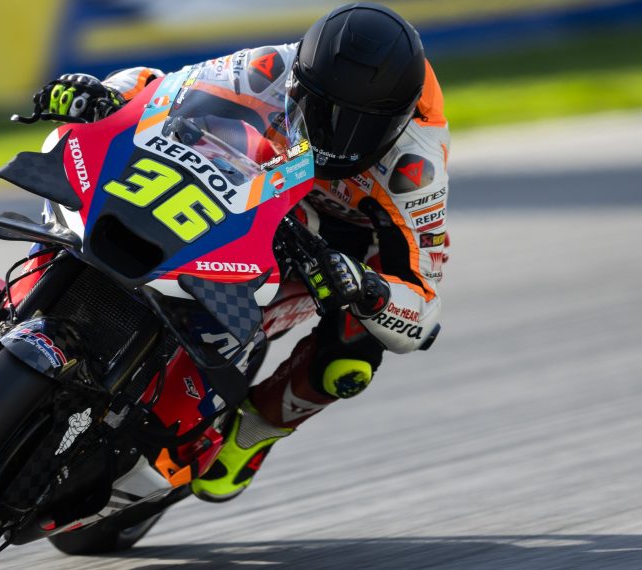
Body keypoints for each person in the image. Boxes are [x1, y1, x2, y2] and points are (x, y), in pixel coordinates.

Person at [34, 2, 450, 502]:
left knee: (349, 363)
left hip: (342, 241)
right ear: (302, 81)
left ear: (400, 119)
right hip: (255, 183)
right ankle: (30, 298)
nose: (341, 137)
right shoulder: (272, 68)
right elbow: (156, 86)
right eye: (327, 113)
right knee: (97, 178)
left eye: (363, 125)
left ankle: (254, 431)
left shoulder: (415, 168)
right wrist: (102, 94)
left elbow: (423, 310)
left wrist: (368, 287)